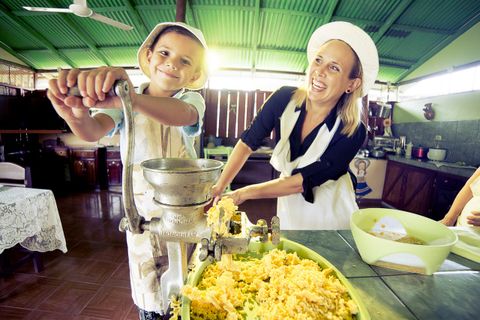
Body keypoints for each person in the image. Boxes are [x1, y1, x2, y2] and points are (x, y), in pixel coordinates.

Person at [46, 22, 208, 319]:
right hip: (141, 215)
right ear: (148, 56)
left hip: (184, 216)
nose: (172, 63)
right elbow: (93, 131)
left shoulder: (190, 100)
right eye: (165, 52)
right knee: (149, 293)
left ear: (195, 75)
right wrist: (75, 114)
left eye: (185, 61)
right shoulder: (124, 104)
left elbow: (182, 116)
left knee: (185, 290)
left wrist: (131, 99)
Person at [212, 21, 379, 230]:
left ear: (351, 84)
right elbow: (247, 143)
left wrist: (242, 193)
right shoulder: (284, 99)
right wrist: (219, 186)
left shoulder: (352, 131)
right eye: (318, 60)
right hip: (289, 206)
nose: (320, 71)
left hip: (332, 215)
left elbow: (302, 182)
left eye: (334, 67)